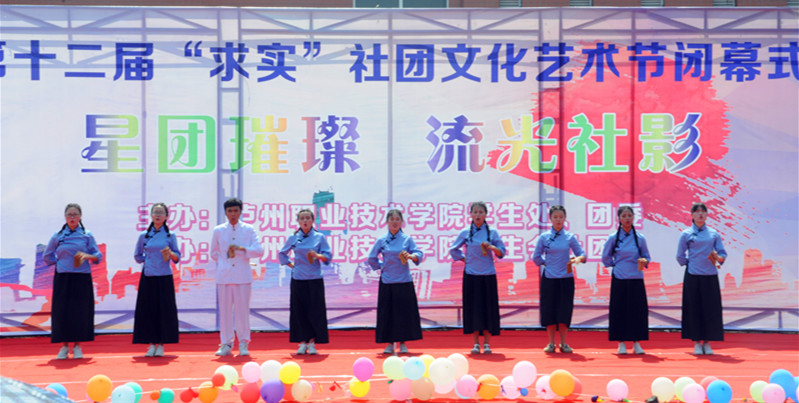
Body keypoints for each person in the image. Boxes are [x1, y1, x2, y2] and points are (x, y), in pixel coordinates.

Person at [42, 203, 102, 359]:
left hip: (82, 277)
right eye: (69, 214)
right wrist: (60, 263)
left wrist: (87, 256)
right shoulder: (58, 236)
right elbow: (47, 256)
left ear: (80, 217)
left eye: (75, 214)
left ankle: (77, 346)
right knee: (62, 311)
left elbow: (98, 256)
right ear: (65, 217)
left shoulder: (87, 235)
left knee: (80, 312)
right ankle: (64, 346)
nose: (72, 217)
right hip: (63, 277)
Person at [449, 201, 506, 354]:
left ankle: (487, 343)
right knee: (473, 309)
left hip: (488, 275)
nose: (478, 215)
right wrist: (465, 259)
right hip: (471, 275)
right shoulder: (465, 232)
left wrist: (492, 248)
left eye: (481, 212)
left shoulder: (492, 232)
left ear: (486, 214)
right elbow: (453, 250)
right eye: (475, 212)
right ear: (471, 215)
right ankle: (475, 343)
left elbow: (502, 252)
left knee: (488, 309)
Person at [210, 198, 264, 356]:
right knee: (225, 311)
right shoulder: (218, 230)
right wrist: (224, 261)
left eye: (235, 211)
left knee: (242, 311)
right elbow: (213, 253)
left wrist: (241, 250)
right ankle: (226, 344)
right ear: (225, 213)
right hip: (224, 276)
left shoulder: (248, 229)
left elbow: (259, 250)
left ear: (240, 212)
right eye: (230, 211)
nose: (233, 214)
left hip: (242, 276)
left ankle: (243, 343)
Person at [367, 209, 424, 354]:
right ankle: (389, 343)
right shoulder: (381, 240)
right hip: (387, 281)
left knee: (404, 313)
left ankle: (403, 342)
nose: (394, 222)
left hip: (404, 281)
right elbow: (371, 258)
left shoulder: (406, 239)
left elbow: (419, 254)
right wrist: (382, 266)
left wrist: (410, 256)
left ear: (401, 222)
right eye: (391, 219)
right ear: (387, 222)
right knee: (388, 313)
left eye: (397, 219)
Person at [532, 205, 585, 354]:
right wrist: (546, 263)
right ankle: (550, 343)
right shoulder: (544, 237)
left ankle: (563, 343)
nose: (558, 220)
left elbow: (582, 254)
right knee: (549, 310)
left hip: (566, 279)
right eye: (555, 217)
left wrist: (578, 259)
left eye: (561, 217)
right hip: (549, 278)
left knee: (564, 311)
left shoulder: (570, 237)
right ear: (550, 219)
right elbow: (536, 257)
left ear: (565, 218)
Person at [676, 202, 727, 355]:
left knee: (710, 310)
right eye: (697, 212)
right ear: (692, 215)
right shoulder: (686, 234)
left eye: (703, 212)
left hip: (710, 276)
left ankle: (708, 342)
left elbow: (722, 254)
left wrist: (718, 257)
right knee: (694, 309)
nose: (700, 214)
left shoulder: (713, 234)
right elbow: (680, 256)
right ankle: (697, 342)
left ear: (707, 215)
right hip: (693, 275)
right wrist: (690, 263)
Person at [279, 209, 331, 355]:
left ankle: (312, 342)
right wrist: (292, 266)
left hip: (315, 279)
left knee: (315, 312)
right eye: (302, 219)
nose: (305, 221)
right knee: (299, 311)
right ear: (298, 221)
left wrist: (317, 256)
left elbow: (327, 256)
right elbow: (282, 254)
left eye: (308, 218)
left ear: (313, 220)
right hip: (298, 279)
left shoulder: (319, 237)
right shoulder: (293, 237)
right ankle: (302, 343)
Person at [133, 203, 181, 357]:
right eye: (155, 212)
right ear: (151, 216)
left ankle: (161, 344)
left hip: (164, 277)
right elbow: (137, 256)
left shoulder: (170, 235)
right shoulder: (144, 235)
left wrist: (170, 254)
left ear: (166, 216)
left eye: (161, 212)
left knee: (163, 311)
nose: (158, 215)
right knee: (149, 310)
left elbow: (177, 257)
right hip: (148, 276)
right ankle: (151, 344)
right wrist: (148, 259)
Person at [601, 206, 651, 355]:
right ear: (619, 219)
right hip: (620, 278)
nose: (627, 218)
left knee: (638, 311)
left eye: (630, 215)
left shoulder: (640, 238)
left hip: (636, 278)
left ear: (634, 218)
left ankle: (637, 343)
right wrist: (616, 265)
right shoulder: (613, 238)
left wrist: (644, 261)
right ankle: (621, 343)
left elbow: (647, 256)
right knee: (619, 310)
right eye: (624, 216)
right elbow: (605, 257)